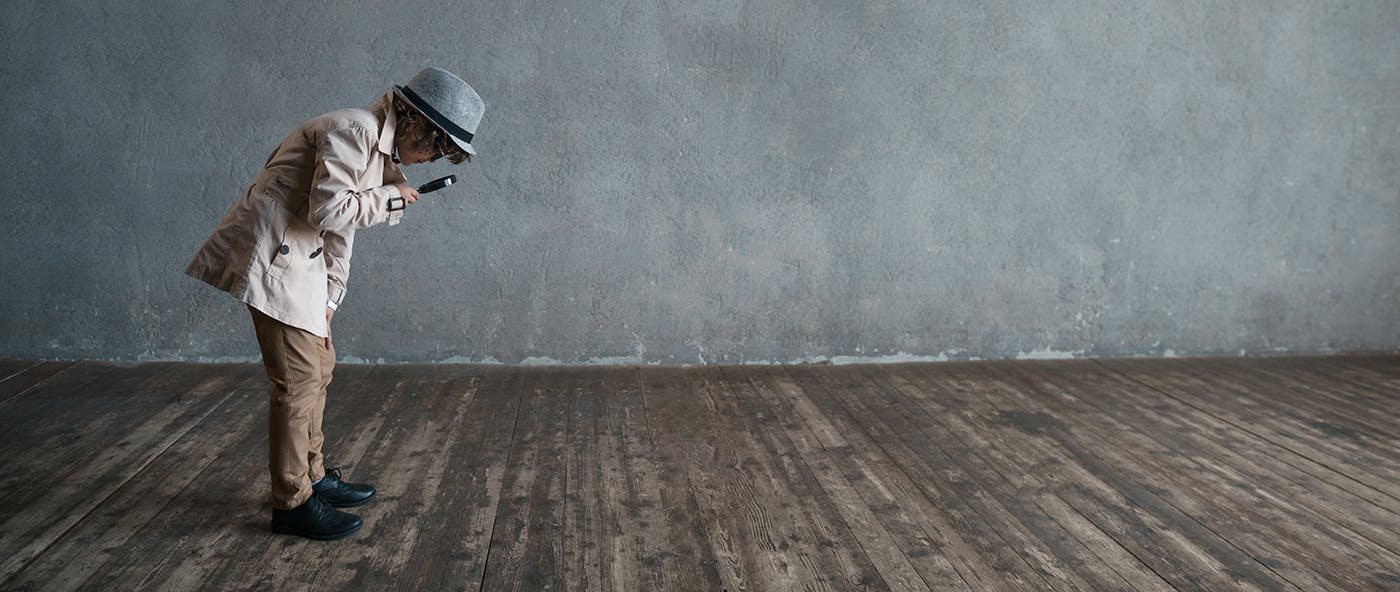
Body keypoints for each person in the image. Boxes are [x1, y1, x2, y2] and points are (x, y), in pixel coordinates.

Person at [185, 67, 484, 540]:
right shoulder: (355, 131)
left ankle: (314, 476)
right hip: (273, 258)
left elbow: (340, 233)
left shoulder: (374, 148)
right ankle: (293, 502)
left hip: (301, 261)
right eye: (437, 148)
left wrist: (330, 300)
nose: (431, 161)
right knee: (298, 380)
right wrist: (390, 198)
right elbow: (329, 209)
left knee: (321, 366)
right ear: (416, 125)